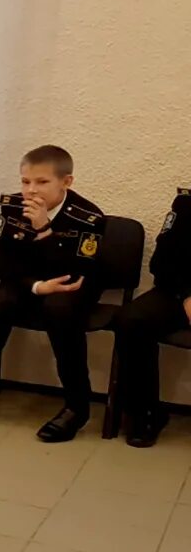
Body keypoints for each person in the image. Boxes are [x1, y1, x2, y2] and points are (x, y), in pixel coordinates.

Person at [0, 145, 105, 441]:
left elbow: (74, 274)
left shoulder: (88, 217)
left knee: (59, 308)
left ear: (67, 182)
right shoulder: (12, 207)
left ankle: (77, 406)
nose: (30, 190)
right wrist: (36, 286)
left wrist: (45, 230)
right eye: (25, 181)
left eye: (42, 182)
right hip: (28, 284)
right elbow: (1, 262)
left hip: (70, 289)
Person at [111, 189, 191, 447]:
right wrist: (187, 295)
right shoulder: (187, 203)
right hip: (180, 293)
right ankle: (143, 413)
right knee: (132, 319)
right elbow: (161, 263)